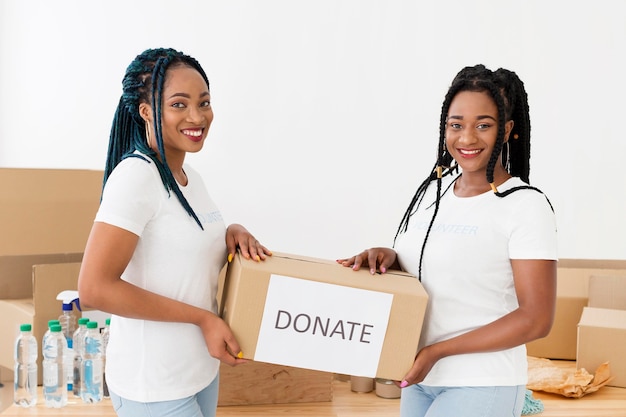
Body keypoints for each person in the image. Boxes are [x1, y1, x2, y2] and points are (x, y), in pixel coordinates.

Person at [337, 64, 557, 417]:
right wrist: (390, 257)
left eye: (483, 125)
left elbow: (537, 318)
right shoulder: (431, 195)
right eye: (456, 125)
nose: (467, 138)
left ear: (507, 130)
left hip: (482, 381)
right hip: (420, 378)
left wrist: (438, 351)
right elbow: (436, 266)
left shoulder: (525, 205)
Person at [78, 48, 271, 417]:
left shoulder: (190, 179)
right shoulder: (137, 177)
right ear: (147, 111)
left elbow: (182, 245)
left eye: (204, 102)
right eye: (179, 105)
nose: (197, 116)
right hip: (154, 386)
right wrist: (203, 319)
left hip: (198, 372)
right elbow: (94, 288)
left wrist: (233, 231)